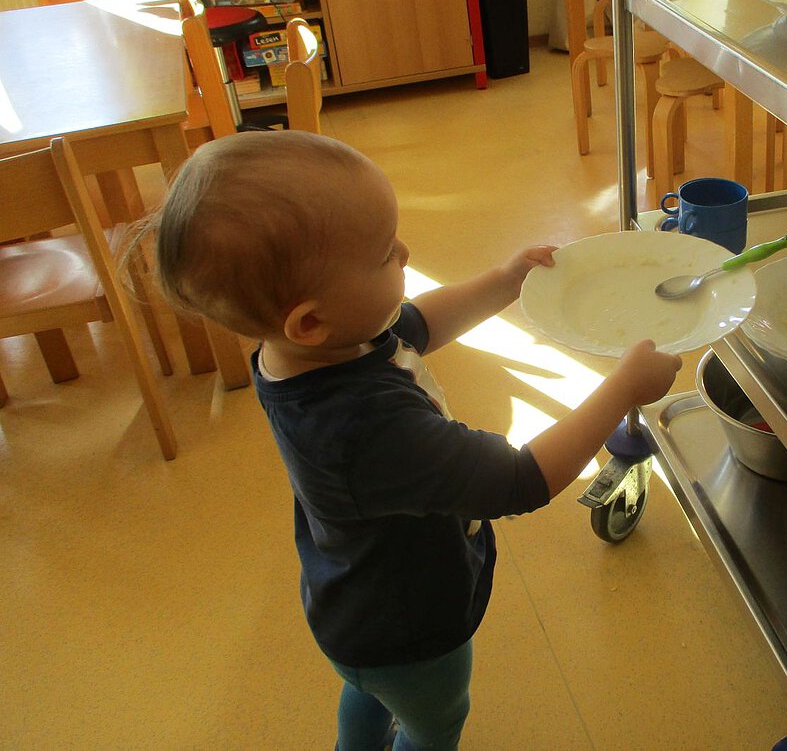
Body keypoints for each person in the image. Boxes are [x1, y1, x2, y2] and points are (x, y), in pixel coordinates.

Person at [133, 130, 682, 751]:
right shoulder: (362, 428)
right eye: (383, 254)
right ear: (310, 320)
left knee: (367, 690)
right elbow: (517, 480)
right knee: (433, 722)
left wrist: (504, 281)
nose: (405, 252)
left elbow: (418, 323)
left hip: (353, 608)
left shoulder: (312, 347)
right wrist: (623, 388)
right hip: (405, 631)